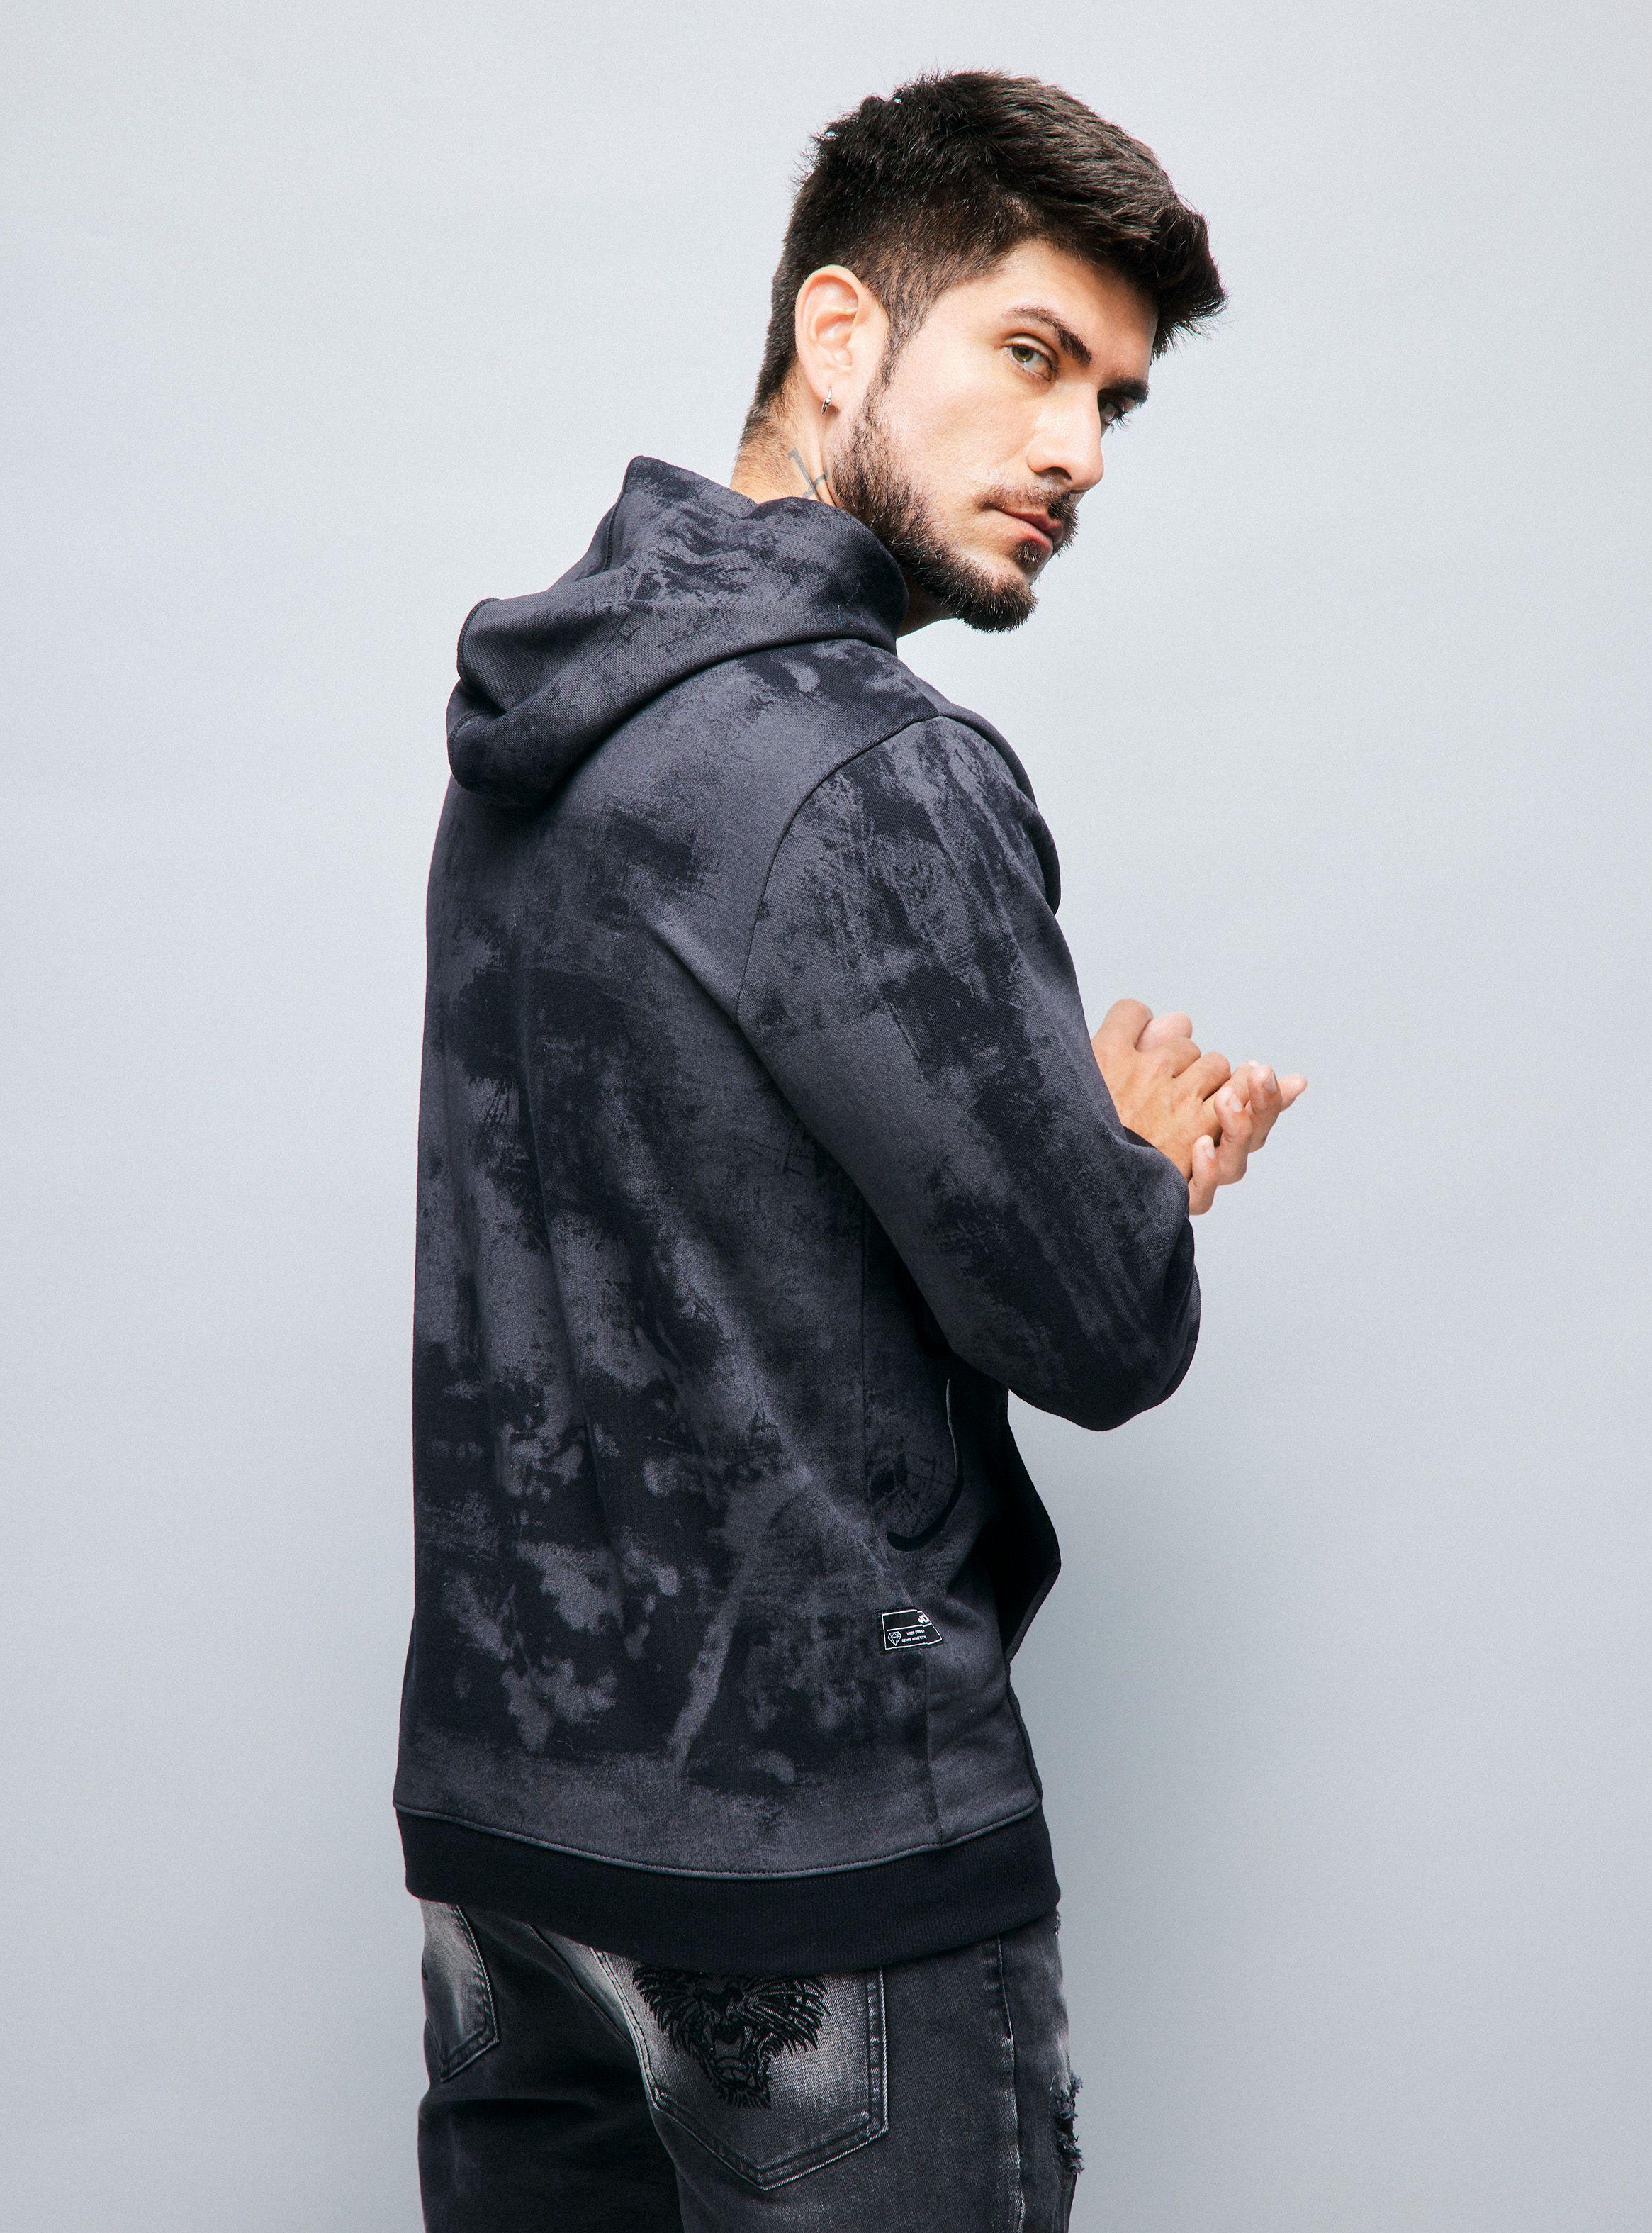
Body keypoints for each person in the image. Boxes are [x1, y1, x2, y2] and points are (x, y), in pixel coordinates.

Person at [398, 68, 1305, 2232]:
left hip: (507, 1858)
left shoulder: (535, 728)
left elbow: (708, 1220)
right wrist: (1119, 1157)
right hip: (809, 1864)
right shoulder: (869, 772)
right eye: (1031, 355)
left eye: (1111, 399)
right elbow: (1096, 1328)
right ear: (836, 335)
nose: (1079, 449)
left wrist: (1046, 1142)